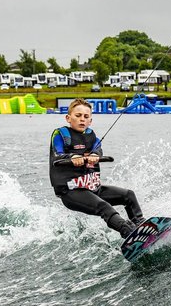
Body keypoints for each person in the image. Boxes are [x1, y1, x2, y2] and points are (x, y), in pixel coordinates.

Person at [49, 98, 144, 238]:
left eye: (86, 117)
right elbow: (58, 155)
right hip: (71, 191)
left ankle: (141, 226)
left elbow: (98, 151)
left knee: (128, 195)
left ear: (90, 121)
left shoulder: (93, 138)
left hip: (93, 189)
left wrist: (94, 155)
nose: (82, 119)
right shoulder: (60, 135)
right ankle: (129, 233)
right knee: (104, 207)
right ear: (68, 118)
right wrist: (72, 158)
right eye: (78, 115)